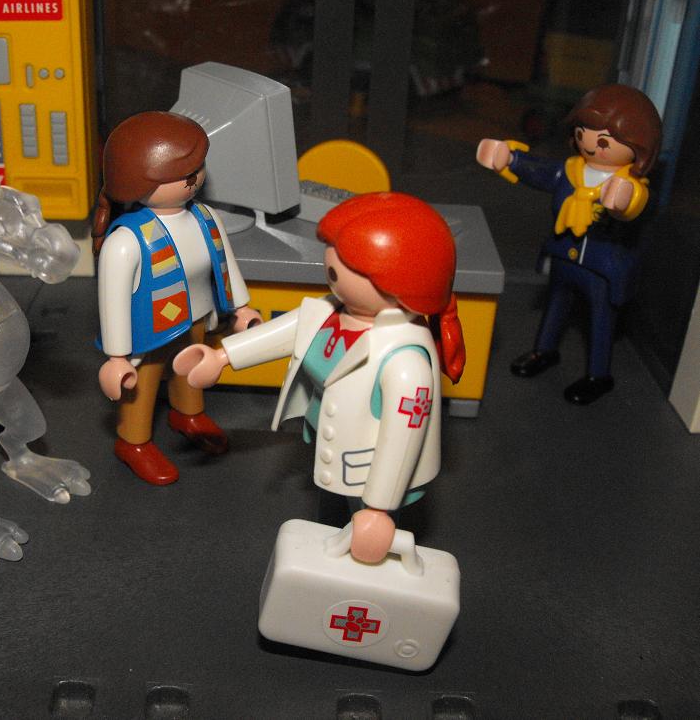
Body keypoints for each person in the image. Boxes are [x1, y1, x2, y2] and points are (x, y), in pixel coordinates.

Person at [174, 192, 465, 562]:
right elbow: (287, 332)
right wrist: (222, 356)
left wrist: (379, 508)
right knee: (330, 519)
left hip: (369, 468)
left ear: (399, 281)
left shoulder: (406, 361)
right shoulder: (333, 311)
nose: (330, 265)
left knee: (361, 531)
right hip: (331, 452)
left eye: (348, 263)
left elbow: (402, 441)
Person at [92, 111, 260, 485]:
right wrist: (117, 357)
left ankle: (188, 414)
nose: (194, 179)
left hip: (196, 318)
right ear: (137, 181)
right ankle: (133, 441)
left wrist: (241, 307)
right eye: (181, 173)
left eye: (196, 169)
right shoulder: (127, 240)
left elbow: (225, 263)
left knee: (191, 372)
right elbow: (112, 303)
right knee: (140, 389)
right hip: (148, 334)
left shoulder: (205, 217)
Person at [477, 83, 662, 404]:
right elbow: (540, 171)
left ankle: (598, 374)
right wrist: (510, 159)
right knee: (555, 306)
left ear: (639, 147)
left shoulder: (628, 184)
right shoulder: (570, 171)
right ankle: (543, 351)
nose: (590, 144)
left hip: (601, 268)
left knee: (601, 320)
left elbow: (636, 203)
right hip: (563, 255)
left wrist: (624, 201)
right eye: (582, 133)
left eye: (603, 141)